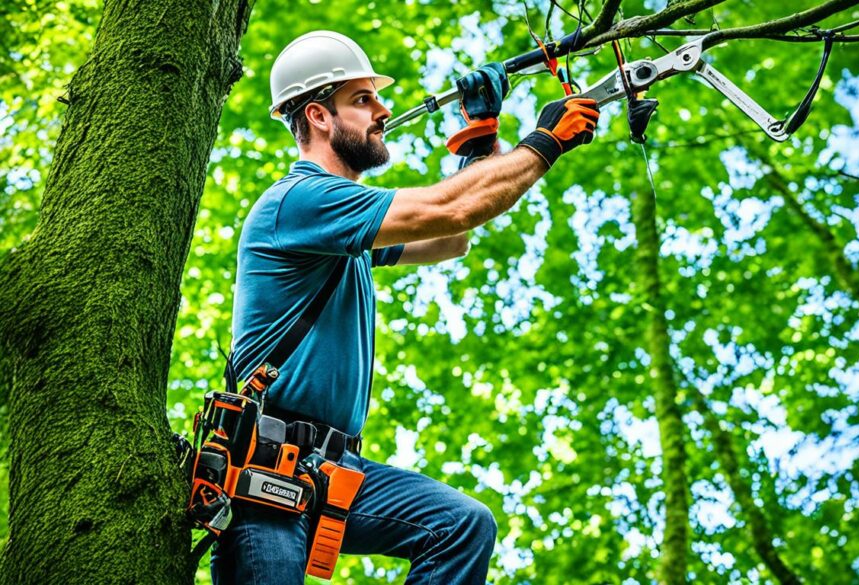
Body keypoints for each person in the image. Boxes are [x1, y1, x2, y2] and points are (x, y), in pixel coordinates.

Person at [211, 30, 599, 584]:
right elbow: (453, 208)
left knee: (460, 526)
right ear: (319, 116)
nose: (383, 110)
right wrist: (543, 142)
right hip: (265, 475)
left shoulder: (343, 228)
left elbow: (451, 236)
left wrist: (481, 139)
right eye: (363, 100)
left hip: (333, 470)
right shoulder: (299, 201)